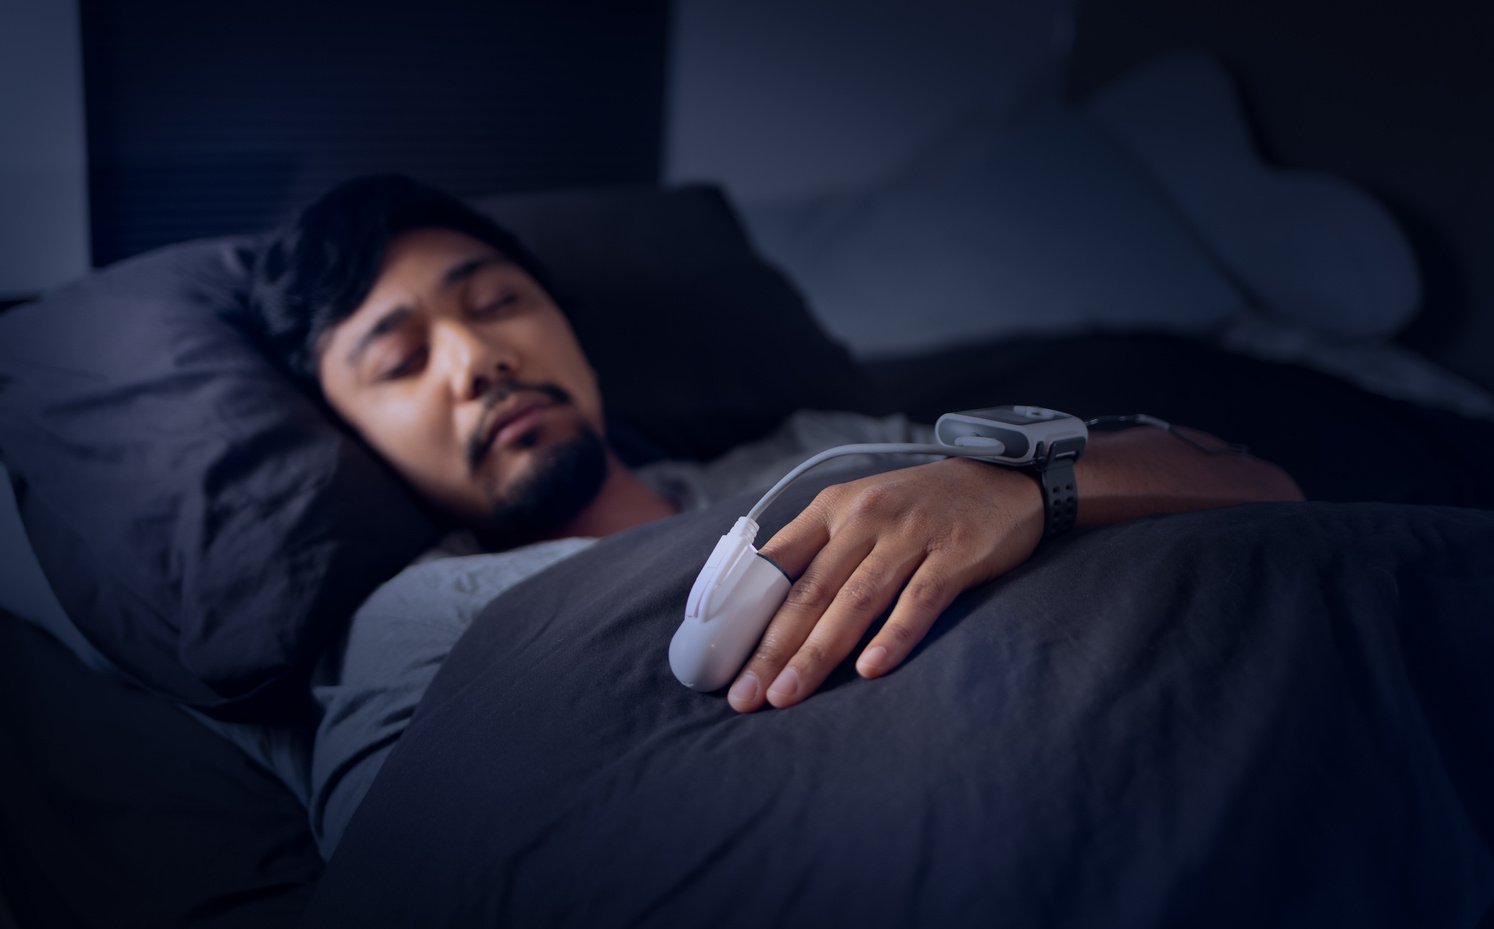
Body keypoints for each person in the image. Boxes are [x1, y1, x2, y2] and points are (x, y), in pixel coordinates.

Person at [248, 175, 1302, 856]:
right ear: (352, 434)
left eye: (497, 304)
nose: (478, 360)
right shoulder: (415, 619)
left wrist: (1018, 486)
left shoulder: (822, 448)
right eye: (400, 360)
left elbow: (1266, 493)